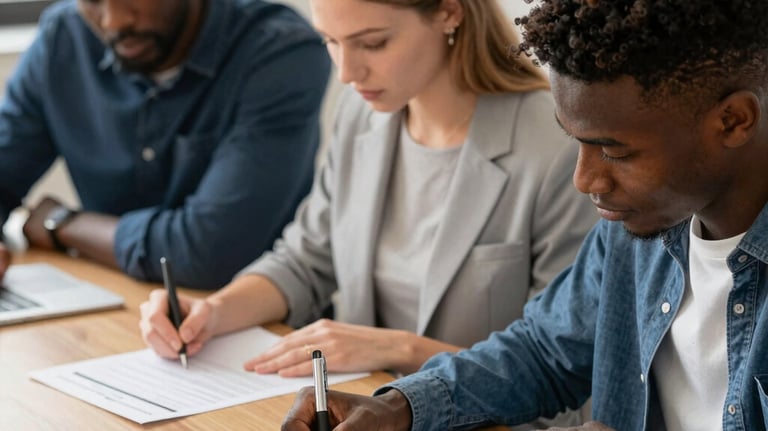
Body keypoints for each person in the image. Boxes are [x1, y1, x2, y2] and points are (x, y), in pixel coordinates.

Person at [280, 0, 768, 430]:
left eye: (613, 151)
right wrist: (398, 408)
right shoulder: (639, 227)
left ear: (733, 121)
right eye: (576, 140)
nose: (585, 179)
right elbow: (542, 353)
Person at [141, 0, 593, 424]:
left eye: (372, 43)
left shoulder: (557, 148)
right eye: (331, 42)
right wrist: (211, 313)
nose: (346, 72)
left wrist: (394, 348)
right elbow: (305, 258)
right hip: (359, 415)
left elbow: (556, 364)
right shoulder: (363, 114)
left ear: (448, 14)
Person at [0, 0, 330, 289]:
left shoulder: (280, 51)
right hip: (112, 298)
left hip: (256, 328)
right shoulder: (63, 36)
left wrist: (63, 224)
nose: (113, 20)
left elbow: (210, 254)